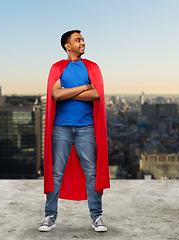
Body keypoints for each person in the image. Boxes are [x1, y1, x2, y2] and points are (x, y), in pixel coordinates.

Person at [39, 30, 110, 232]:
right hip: (61, 128)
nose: (83, 43)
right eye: (78, 40)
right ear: (67, 46)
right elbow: (55, 95)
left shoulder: (92, 67)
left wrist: (68, 92)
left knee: (91, 172)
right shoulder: (58, 68)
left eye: (83, 39)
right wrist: (83, 87)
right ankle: (50, 216)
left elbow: (96, 94)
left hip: (86, 128)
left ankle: (97, 217)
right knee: (56, 174)